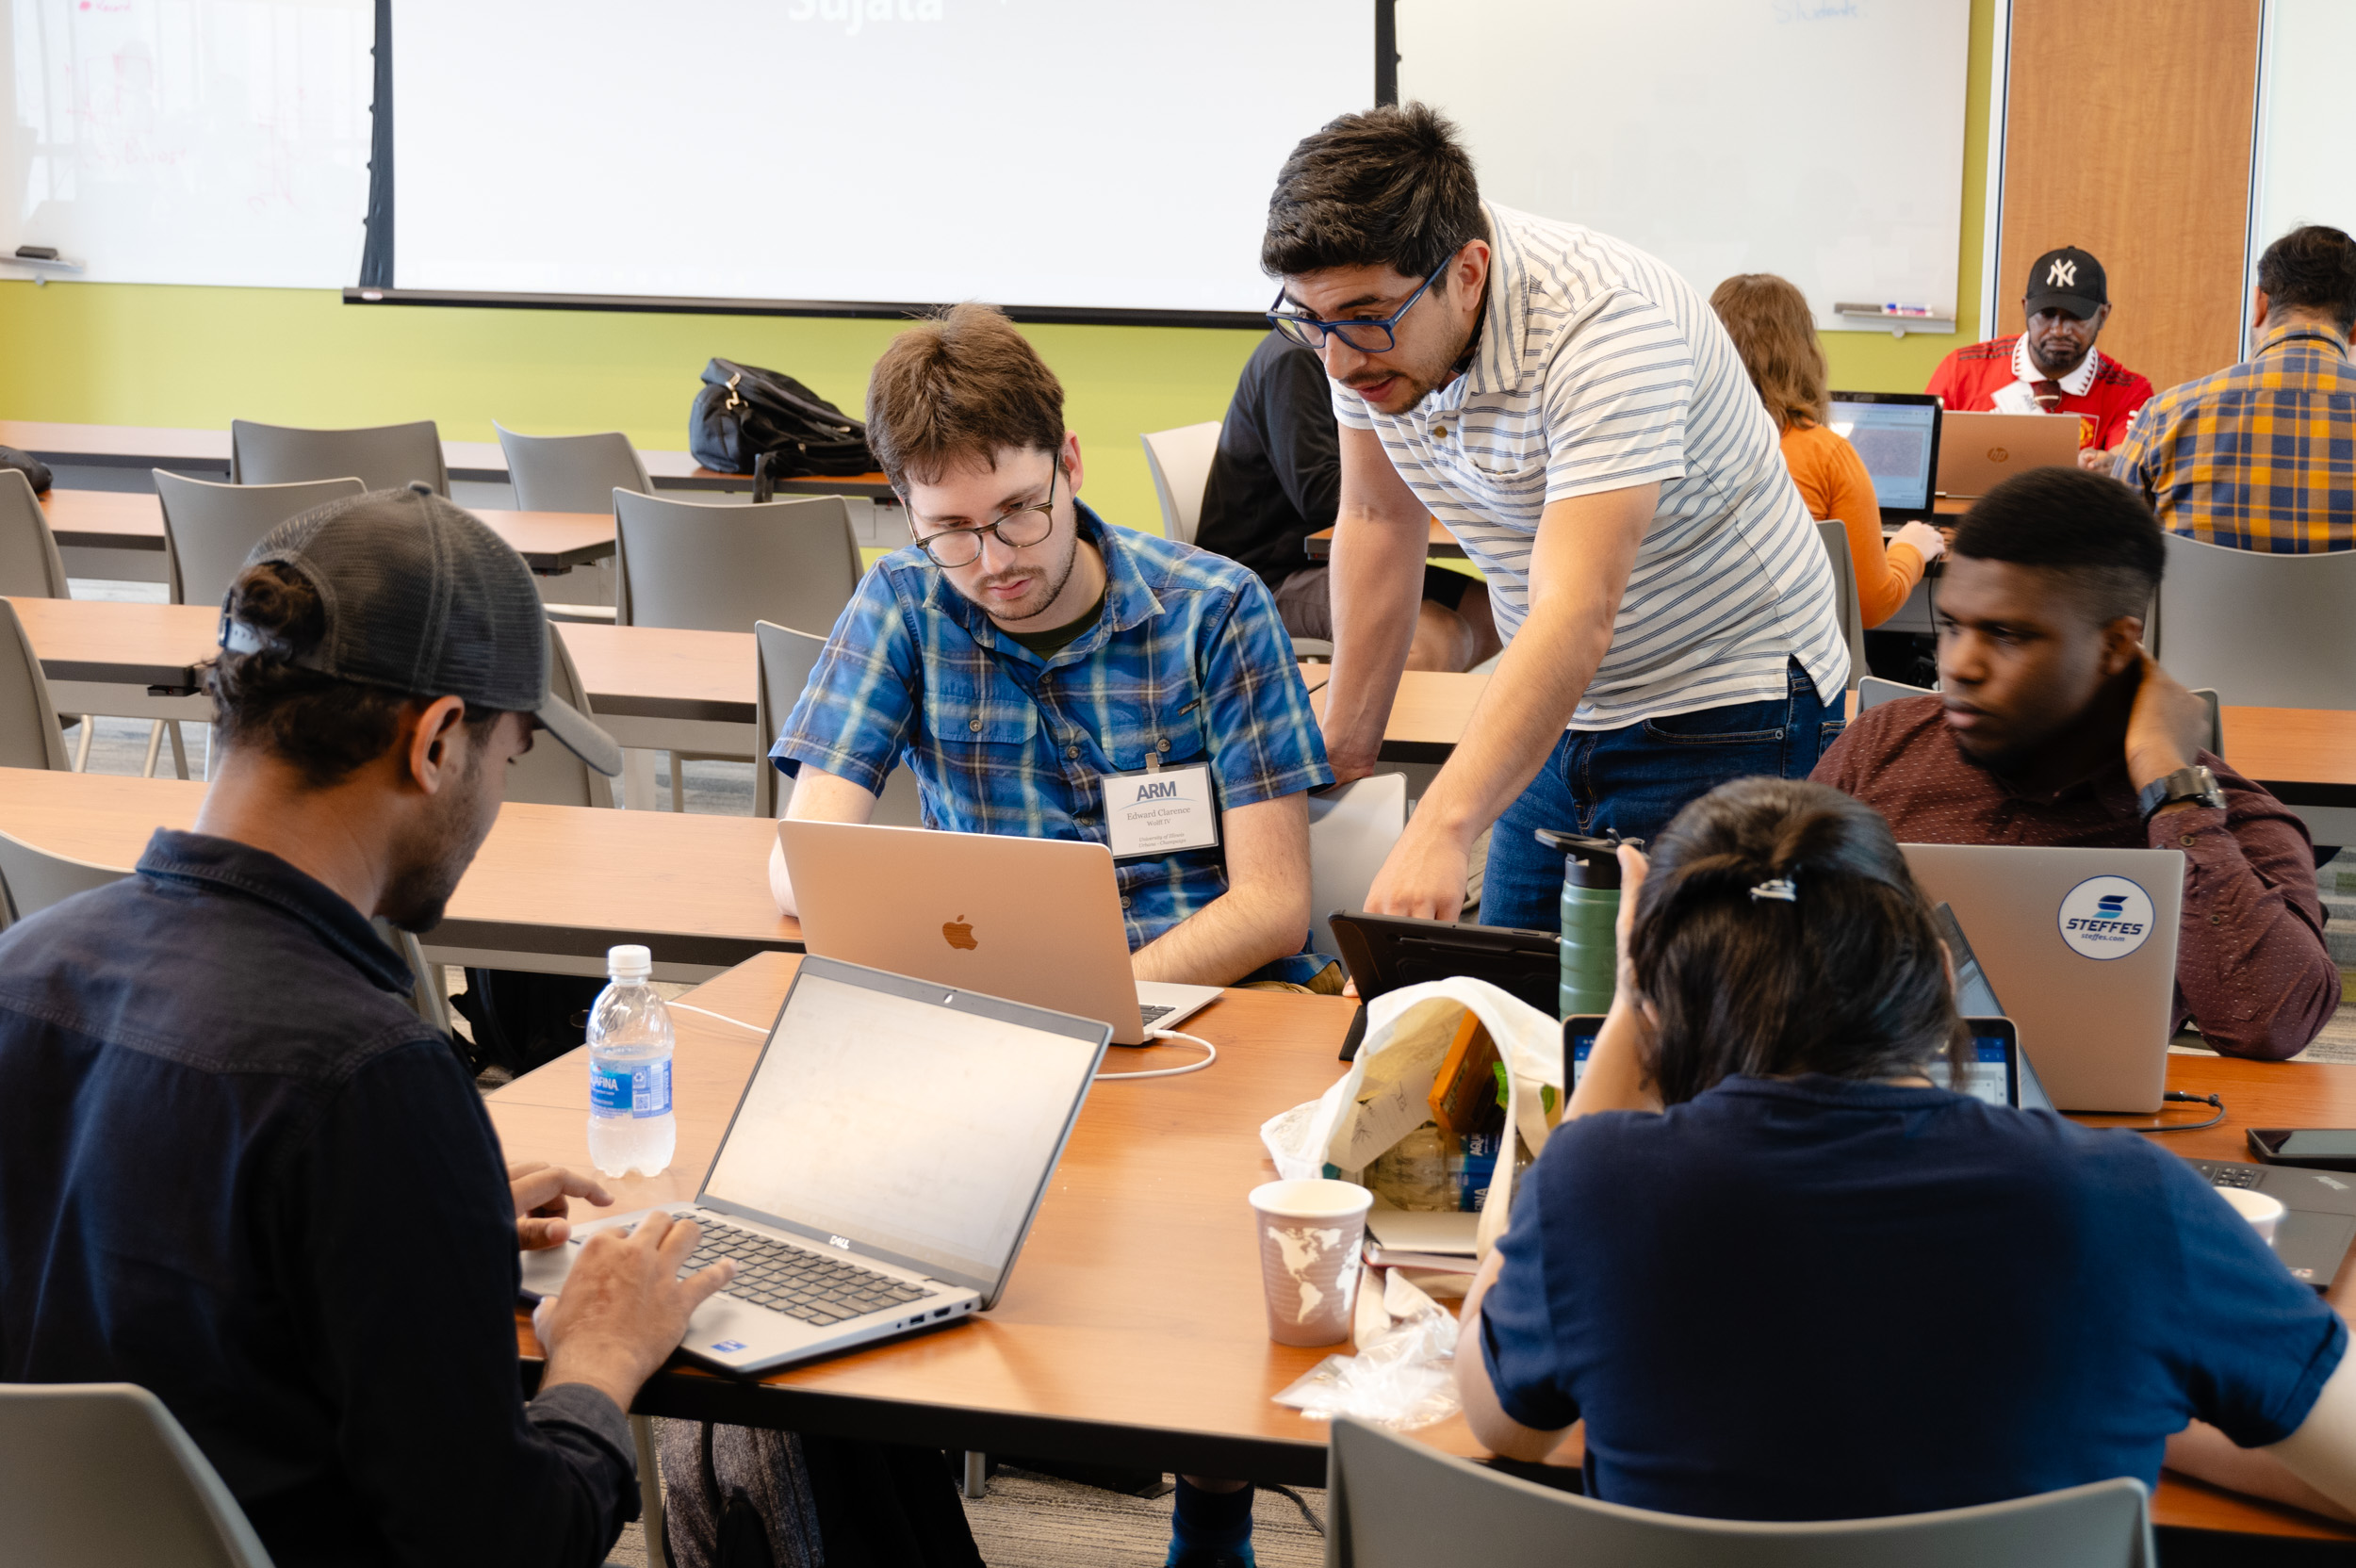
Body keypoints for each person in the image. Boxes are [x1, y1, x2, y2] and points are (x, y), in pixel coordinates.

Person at [0, 487, 735, 1565]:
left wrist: (421, 1222)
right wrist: (598, 1364)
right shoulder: (367, 1079)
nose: (494, 801)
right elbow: (506, 1541)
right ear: (438, 738)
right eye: (508, 758)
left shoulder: (21, 968)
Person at [1455, 775, 2356, 1522]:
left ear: (1662, 988)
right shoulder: (2129, 1200)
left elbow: (1506, 1428)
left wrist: (1628, 1011)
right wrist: (2122, 1389)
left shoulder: (1596, 1189)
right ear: (1932, 960)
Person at [1262, 104, 1849, 933]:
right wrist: (1347, 743)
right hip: (1559, 700)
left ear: (1467, 272)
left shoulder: (1607, 326)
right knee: (1520, 994)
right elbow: (1375, 513)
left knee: (1693, 1020)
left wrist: (1441, 823)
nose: (1340, 359)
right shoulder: (1360, 326)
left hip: (1727, 703)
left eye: (1364, 319)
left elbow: (1578, 606)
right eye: (1310, 322)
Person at [766, 302, 1334, 988]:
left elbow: (1273, 907)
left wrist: (1100, 1005)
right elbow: (805, 868)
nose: (994, 561)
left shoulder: (1216, 609)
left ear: (1069, 463)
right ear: (905, 508)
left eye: (1018, 512)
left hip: (1211, 992)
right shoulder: (903, 601)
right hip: (998, 992)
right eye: (950, 529)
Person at [1812, 466, 2338, 1061]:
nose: (1960, 665)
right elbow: (1764, 943)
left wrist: (2172, 791)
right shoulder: (1883, 745)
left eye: (2008, 636)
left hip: (2091, 1135)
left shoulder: (2226, 818)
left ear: (2116, 646)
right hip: (1875, 1117)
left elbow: (2272, 1024)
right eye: (1954, 627)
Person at [1195, 328, 1499, 671]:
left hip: (1340, 554)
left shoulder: (1359, 357)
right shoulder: (1296, 361)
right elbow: (1320, 495)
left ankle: (1423, 715)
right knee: (1437, 640)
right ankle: (1372, 721)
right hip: (1267, 577)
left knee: (1493, 614)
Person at [1709, 272, 1947, 628]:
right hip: (1793, 668)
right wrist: (1910, 548)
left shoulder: (1674, 443)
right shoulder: (1826, 453)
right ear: (1803, 352)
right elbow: (1869, 607)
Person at [2114, 223, 2356, 550]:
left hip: (2195, 604)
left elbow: (2107, 551)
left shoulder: (2165, 417)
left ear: (2259, 305)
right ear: (2354, 329)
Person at [1926, 245, 2153, 469]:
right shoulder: (1962, 369)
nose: (2059, 330)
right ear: (2026, 308)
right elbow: (1921, 453)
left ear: (2103, 315)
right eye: (2046, 314)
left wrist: (2115, 467)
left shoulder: (2129, 391)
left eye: (2075, 317)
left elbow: (2125, 457)